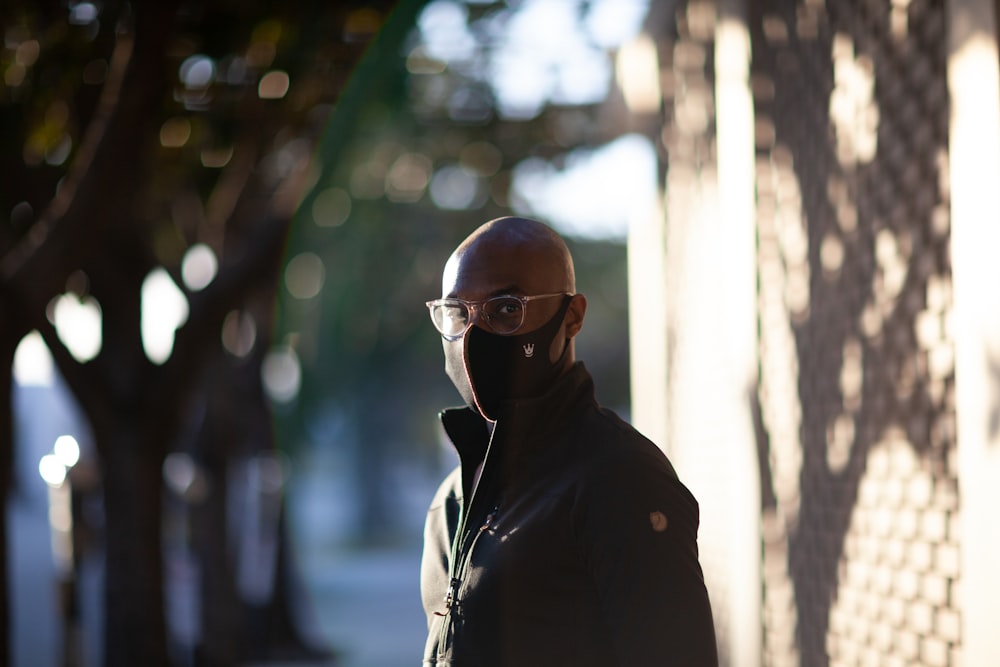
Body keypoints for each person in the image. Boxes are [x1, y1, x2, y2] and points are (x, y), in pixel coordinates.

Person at [420, 216, 718, 666]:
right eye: (458, 313)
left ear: (572, 316)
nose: (471, 339)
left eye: (505, 309)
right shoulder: (451, 500)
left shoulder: (621, 479)